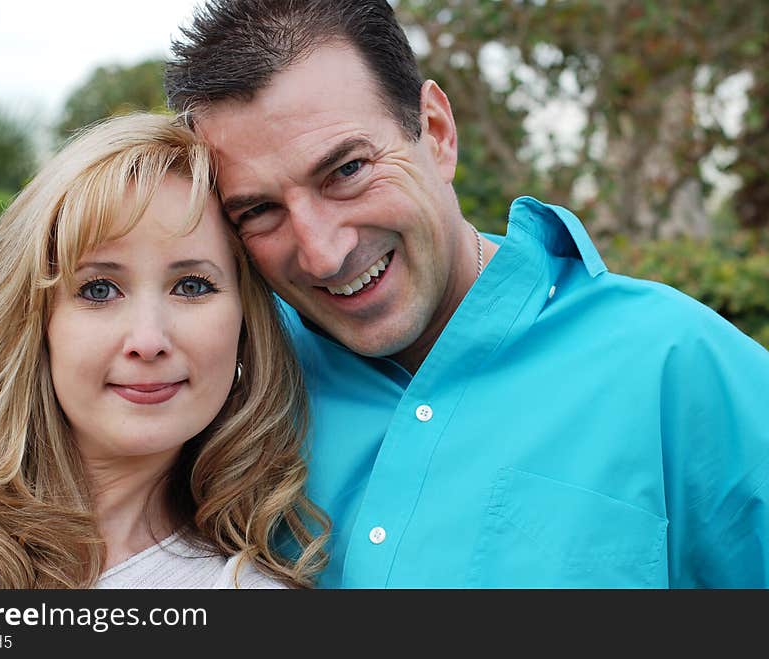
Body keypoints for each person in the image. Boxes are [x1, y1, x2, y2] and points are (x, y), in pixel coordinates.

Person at [164, 0, 769, 588]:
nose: (323, 252)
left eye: (347, 170)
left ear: (436, 132)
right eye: (262, 210)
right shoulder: (227, 386)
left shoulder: (680, 364)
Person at [0, 112, 328, 589]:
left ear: (246, 326)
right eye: (99, 289)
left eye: (192, 286)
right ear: (36, 320)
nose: (148, 341)